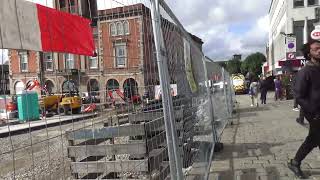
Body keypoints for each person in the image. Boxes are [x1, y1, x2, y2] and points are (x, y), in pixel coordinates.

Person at [288, 39, 320, 178]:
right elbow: (299, 96)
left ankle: (295, 162)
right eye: (316, 49)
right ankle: (295, 163)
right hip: (314, 113)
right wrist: (313, 112)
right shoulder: (305, 71)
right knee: (314, 138)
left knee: (315, 139)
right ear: (309, 53)